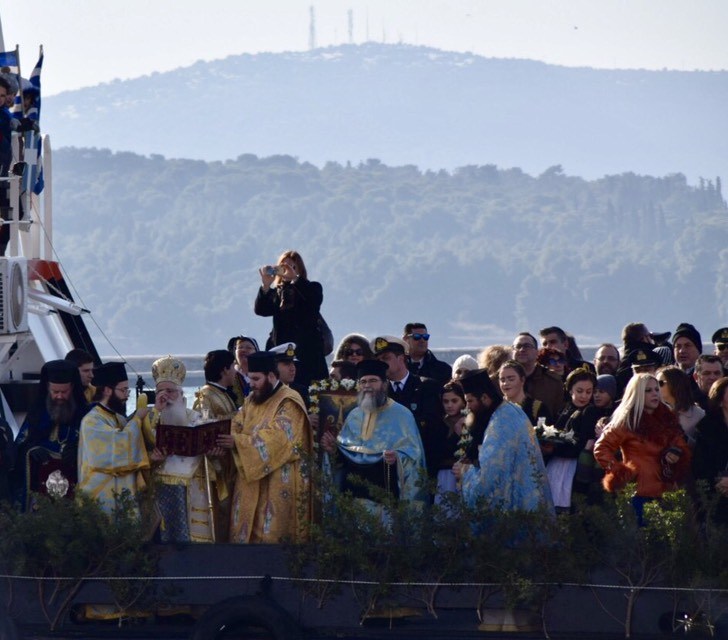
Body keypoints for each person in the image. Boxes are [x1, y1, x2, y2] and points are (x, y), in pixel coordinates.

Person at [217, 352, 313, 543]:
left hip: (278, 481)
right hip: (249, 482)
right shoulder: (253, 399)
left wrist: (238, 442)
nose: (251, 384)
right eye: (250, 378)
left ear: (271, 376)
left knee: (273, 539)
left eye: (256, 379)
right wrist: (220, 438)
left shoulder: (289, 401)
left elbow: (279, 438)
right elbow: (236, 425)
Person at [146, 355, 228, 543]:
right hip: (163, 488)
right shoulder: (149, 418)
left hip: (194, 489)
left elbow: (216, 459)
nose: (165, 396)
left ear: (181, 392)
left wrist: (214, 455)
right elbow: (142, 450)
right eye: (160, 391)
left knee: (195, 541)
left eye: (170, 391)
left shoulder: (197, 418)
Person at [322, 359, 426, 504]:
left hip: (385, 498)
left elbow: (414, 458)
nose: (367, 386)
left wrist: (397, 458)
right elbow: (347, 456)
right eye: (363, 382)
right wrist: (333, 450)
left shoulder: (402, 415)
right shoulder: (354, 415)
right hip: (353, 497)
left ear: (384, 384)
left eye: (373, 381)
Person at [594, 373, 691, 523]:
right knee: (641, 542)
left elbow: (681, 445)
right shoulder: (627, 421)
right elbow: (601, 448)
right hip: (639, 493)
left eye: (656, 389)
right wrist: (620, 472)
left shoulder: (667, 419)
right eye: (648, 390)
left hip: (667, 491)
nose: (654, 394)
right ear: (637, 393)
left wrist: (676, 452)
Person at [452, 368, 553, 514]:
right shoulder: (508, 411)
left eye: (470, 401)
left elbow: (490, 479)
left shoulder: (499, 425)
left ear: (485, 398)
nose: (467, 407)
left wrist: (464, 471)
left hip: (516, 508)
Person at [13, 360, 88, 511]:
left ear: (72, 388)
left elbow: (95, 450)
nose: (59, 396)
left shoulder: (84, 415)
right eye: (55, 392)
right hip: (39, 492)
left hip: (74, 490)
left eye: (64, 392)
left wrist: (79, 451)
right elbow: (20, 446)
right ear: (47, 388)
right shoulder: (36, 414)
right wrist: (31, 450)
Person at [77, 362, 150, 514]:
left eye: (127, 390)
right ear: (108, 390)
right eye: (123, 390)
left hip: (120, 497)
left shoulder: (118, 418)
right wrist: (137, 419)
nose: (127, 395)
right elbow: (118, 445)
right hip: (100, 497)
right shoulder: (92, 421)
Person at [372, 335, 443, 479]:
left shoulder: (426, 386)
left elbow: (431, 424)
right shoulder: (379, 393)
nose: (381, 364)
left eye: (386, 358)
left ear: (401, 358)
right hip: (388, 468)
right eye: (378, 361)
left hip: (420, 464)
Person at [254, 250, 328, 386]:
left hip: (308, 354)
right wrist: (265, 286)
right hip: (282, 355)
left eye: (292, 267)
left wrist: (295, 279)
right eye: (283, 267)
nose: (287, 270)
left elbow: (313, 301)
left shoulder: (312, 287)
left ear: (300, 269)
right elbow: (261, 310)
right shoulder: (277, 293)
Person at [544, 368, 601, 511]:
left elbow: (581, 443)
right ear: (570, 390)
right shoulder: (566, 409)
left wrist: (555, 448)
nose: (584, 396)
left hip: (575, 467)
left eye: (589, 392)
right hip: (557, 464)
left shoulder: (590, 411)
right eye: (580, 391)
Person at [692, 377, 728, 524]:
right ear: (720, 401)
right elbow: (701, 466)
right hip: (716, 499)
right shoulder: (706, 428)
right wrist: (720, 482)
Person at [511, 332, 565, 417]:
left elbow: (558, 414)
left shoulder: (553, 382)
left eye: (527, 346)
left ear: (537, 352)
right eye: (518, 347)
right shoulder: (499, 381)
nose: (522, 350)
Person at [656, 366, 704, 448]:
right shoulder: (653, 411)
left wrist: (683, 438)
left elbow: (701, 447)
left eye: (660, 383)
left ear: (675, 384)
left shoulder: (699, 414)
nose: (656, 387)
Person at [434, 380, 467, 503]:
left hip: (465, 475)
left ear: (463, 401)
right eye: (445, 401)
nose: (449, 405)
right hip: (444, 476)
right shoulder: (439, 424)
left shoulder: (470, 422)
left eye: (454, 401)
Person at [498, 360, 551, 425]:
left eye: (511, 379)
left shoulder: (538, 408)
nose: (506, 383)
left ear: (522, 380)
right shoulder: (495, 409)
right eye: (502, 380)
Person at [193, 349, 238, 420]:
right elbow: (203, 423)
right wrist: (237, 415)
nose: (236, 371)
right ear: (226, 369)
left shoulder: (223, 392)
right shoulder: (204, 396)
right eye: (233, 366)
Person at [227, 335, 259, 406]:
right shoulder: (229, 376)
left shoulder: (262, 376)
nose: (244, 350)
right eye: (240, 347)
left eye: (249, 348)